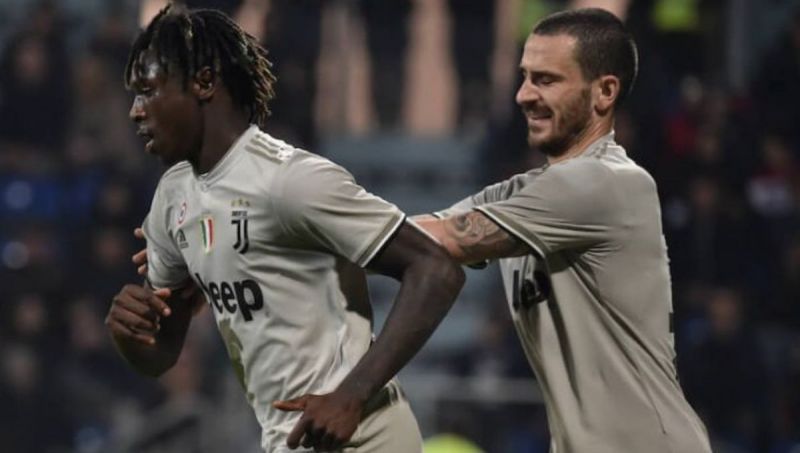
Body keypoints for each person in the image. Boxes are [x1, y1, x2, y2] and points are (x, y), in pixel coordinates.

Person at [105, 5, 464, 453]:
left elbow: (436, 269)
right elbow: (161, 354)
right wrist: (130, 336)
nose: (136, 112)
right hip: (289, 440)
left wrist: (352, 394)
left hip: (363, 436)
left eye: (147, 91)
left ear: (203, 82)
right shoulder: (172, 199)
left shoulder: (290, 181)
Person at [414, 8, 712, 453]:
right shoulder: (524, 193)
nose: (523, 95)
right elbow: (418, 233)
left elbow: (446, 238)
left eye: (546, 80)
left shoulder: (610, 183)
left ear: (605, 92)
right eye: (524, 76)